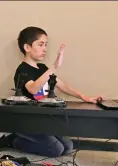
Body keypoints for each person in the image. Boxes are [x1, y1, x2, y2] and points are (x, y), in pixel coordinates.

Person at [9, 26, 104, 157]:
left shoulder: (42, 68)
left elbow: (62, 85)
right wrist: (54, 66)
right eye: (40, 44)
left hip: (44, 120)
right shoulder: (22, 70)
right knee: (56, 150)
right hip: (28, 122)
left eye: (46, 45)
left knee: (68, 147)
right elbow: (33, 88)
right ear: (27, 47)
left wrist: (85, 97)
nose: (45, 49)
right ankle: (15, 140)